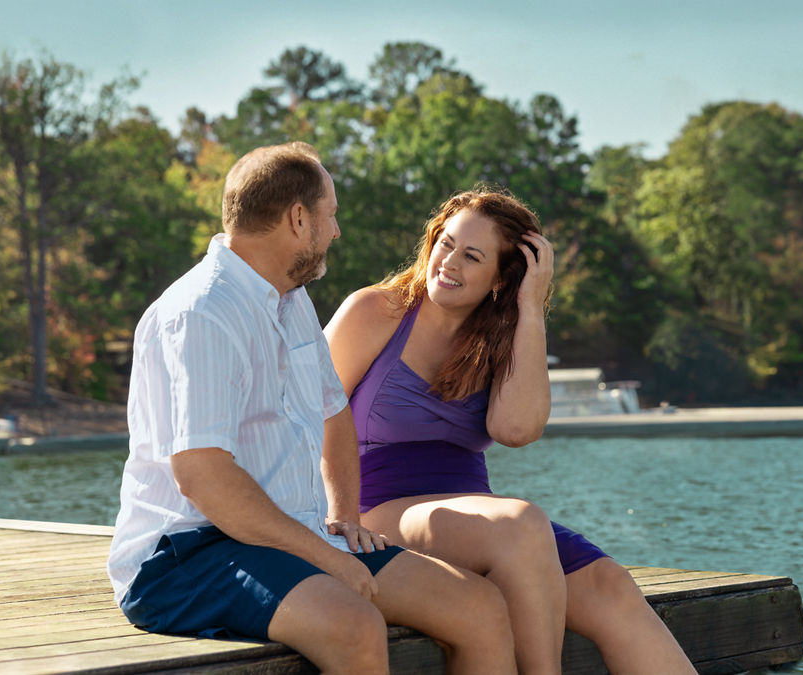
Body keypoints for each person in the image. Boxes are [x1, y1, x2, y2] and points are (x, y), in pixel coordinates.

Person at [106, 144, 516, 675]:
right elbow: (203, 477)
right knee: (352, 624)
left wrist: (343, 519)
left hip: (291, 535)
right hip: (185, 556)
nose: (337, 231)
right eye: (332, 214)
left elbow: (333, 413)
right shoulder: (201, 313)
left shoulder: (290, 299)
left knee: (478, 607)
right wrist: (324, 558)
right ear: (298, 219)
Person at [324, 187, 695, 674]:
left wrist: (531, 308)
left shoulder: (501, 335)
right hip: (372, 509)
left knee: (612, 588)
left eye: (472, 256)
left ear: (501, 278)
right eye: (445, 243)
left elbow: (516, 429)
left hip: (474, 517)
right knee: (520, 524)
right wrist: (338, 516)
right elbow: (308, 415)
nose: (449, 262)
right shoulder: (376, 312)